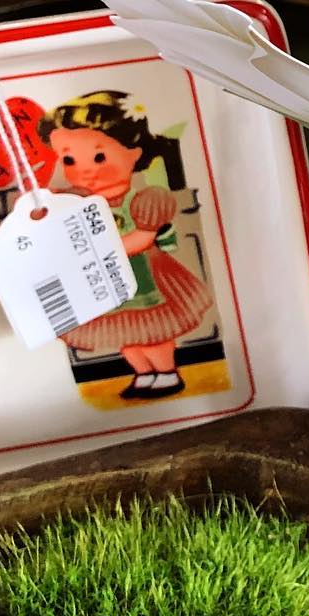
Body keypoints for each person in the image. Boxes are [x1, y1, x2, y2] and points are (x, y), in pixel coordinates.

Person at [42, 91, 212, 402]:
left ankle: (166, 372)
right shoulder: (79, 204)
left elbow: (142, 239)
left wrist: (97, 253)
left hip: (145, 279)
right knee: (127, 337)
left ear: (133, 154)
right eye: (69, 160)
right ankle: (144, 374)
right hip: (108, 287)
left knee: (153, 332)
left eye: (99, 157)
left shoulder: (144, 200)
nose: (86, 169)